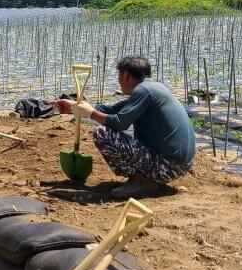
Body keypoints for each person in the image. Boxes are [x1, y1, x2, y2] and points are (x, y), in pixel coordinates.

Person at [54, 55, 196, 199]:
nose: (119, 81)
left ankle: (141, 182)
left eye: (119, 75)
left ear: (126, 74)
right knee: (108, 129)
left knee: (103, 133)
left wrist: (91, 114)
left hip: (167, 167)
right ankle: (143, 179)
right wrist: (74, 106)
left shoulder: (143, 91)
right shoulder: (153, 88)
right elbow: (112, 109)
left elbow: (120, 123)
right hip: (180, 165)